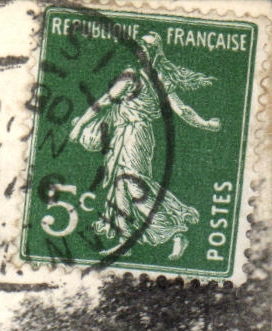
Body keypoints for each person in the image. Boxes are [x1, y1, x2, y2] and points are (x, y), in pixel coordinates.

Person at [69, 31, 220, 259]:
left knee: (134, 186)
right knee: (120, 186)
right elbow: (104, 102)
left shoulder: (152, 79)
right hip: (124, 133)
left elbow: (181, 110)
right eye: (141, 46)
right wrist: (80, 125)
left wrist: (206, 124)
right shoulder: (131, 76)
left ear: (156, 52)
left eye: (149, 47)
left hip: (137, 135)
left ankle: (174, 231)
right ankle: (124, 240)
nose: (143, 50)